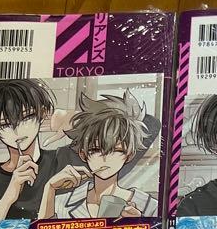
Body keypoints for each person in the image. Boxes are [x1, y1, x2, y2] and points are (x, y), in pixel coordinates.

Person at [38, 91, 157, 219]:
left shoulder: (149, 206)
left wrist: (138, 224)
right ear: (83, 154)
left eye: (116, 150)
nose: (105, 158)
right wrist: (49, 188)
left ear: (129, 155)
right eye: (95, 150)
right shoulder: (61, 202)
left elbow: (154, 123)